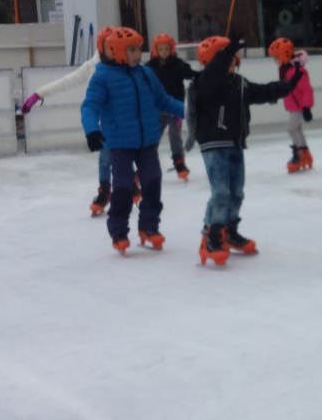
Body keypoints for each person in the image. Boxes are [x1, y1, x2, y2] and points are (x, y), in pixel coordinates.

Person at [191, 36, 302, 265]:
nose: (230, 60)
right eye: (223, 57)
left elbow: (262, 92)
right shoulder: (205, 82)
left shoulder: (238, 83)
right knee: (221, 193)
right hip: (213, 144)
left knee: (236, 193)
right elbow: (211, 75)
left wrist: (288, 86)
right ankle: (211, 236)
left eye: (232, 57)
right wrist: (227, 50)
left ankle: (229, 231)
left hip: (234, 144)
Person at [80, 27, 185, 254]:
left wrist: (190, 111)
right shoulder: (102, 76)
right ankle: (119, 231)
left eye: (139, 49)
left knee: (153, 182)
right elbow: (90, 106)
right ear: (117, 51)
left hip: (147, 142)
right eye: (132, 50)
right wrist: (91, 130)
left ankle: (149, 227)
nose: (138, 54)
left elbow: (163, 101)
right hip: (119, 144)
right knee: (123, 188)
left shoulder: (145, 74)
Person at [20, 26, 122, 215]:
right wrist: (39, 94)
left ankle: (130, 184)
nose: (112, 49)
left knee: (125, 156)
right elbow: (67, 81)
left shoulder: (128, 67)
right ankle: (106, 191)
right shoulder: (92, 67)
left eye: (115, 44)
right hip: (107, 123)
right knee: (106, 158)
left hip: (128, 121)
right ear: (101, 46)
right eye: (108, 45)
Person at [148, 33, 196, 181]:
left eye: (166, 48)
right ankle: (147, 164)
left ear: (171, 49)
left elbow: (193, 75)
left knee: (175, 137)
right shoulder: (150, 67)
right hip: (157, 110)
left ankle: (179, 162)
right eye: (160, 49)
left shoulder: (178, 65)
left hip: (176, 109)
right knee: (153, 138)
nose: (163, 52)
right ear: (155, 50)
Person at [267, 37, 315, 173]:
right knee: (297, 130)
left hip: (299, 106)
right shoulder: (285, 70)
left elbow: (306, 90)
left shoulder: (296, 71)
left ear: (284, 56)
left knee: (291, 129)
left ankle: (300, 154)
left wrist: (306, 107)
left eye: (276, 57)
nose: (275, 61)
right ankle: (305, 155)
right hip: (293, 106)